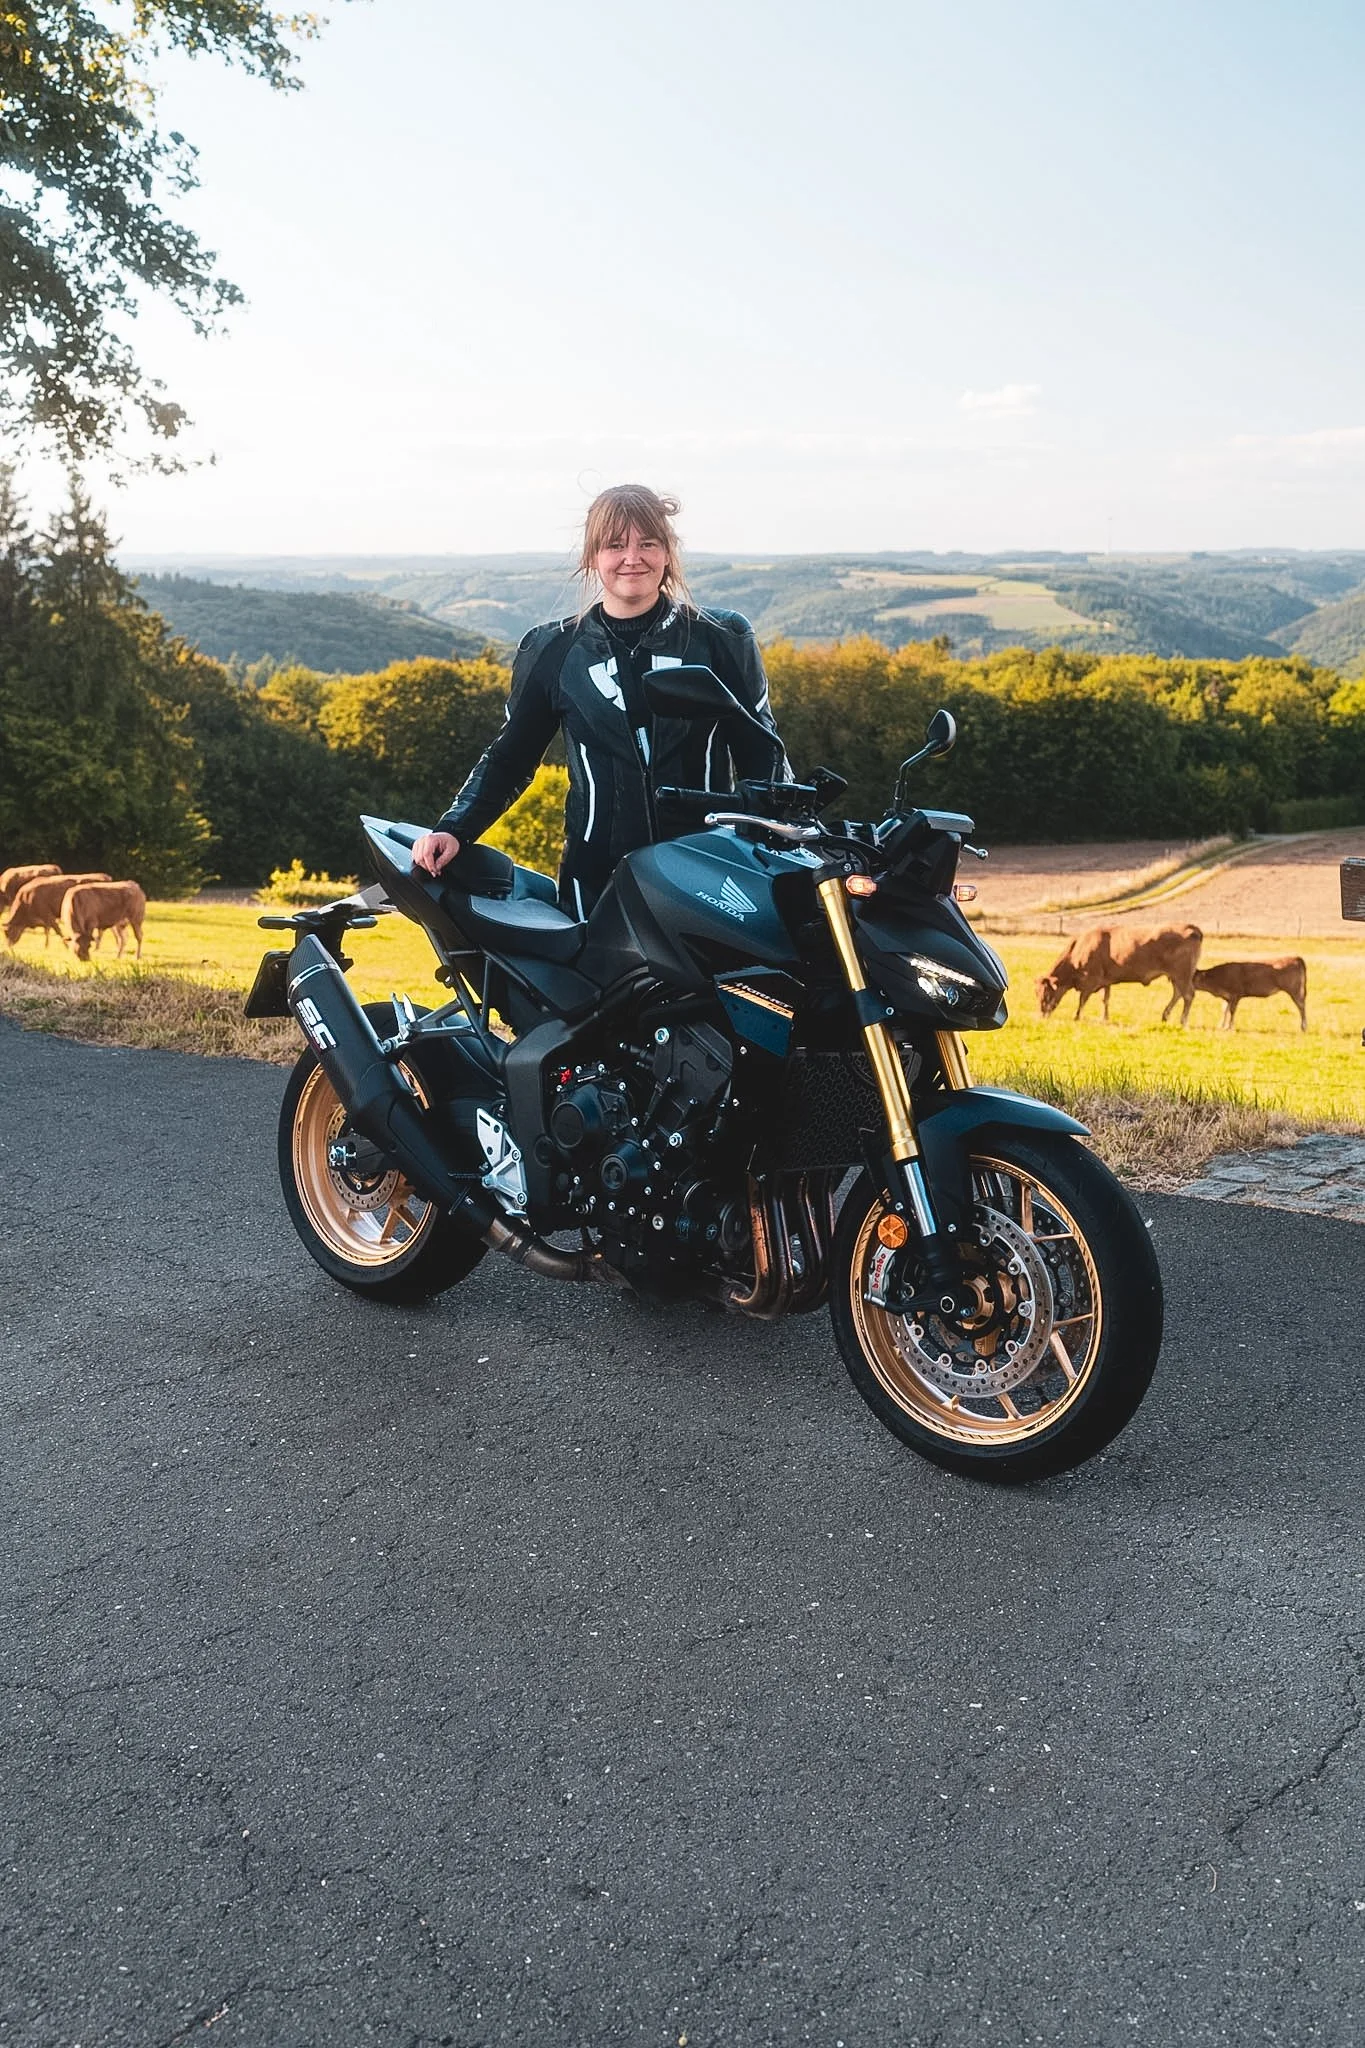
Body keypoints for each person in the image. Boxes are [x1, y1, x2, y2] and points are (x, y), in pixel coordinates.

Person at [411, 484, 789, 917]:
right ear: (592, 557)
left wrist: (781, 838)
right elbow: (510, 758)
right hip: (596, 881)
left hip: (708, 870)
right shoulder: (552, 649)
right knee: (599, 987)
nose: (633, 558)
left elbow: (763, 754)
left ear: (668, 553)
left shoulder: (721, 638)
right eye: (615, 545)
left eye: (648, 543)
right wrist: (454, 828)